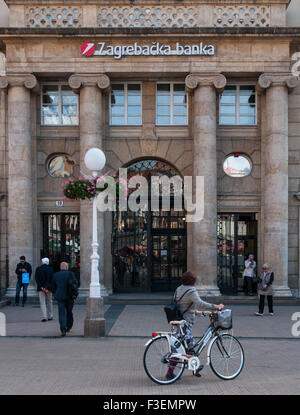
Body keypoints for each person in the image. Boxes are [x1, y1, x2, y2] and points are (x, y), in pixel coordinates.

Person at [166, 271, 224, 380]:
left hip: (177, 321)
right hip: (185, 323)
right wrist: (216, 306)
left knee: (178, 349)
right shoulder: (191, 290)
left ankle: (171, 372)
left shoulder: (179, 288)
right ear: (193, 281)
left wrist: (194, 311)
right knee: (190, 348)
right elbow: (200, 302)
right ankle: (194, 369)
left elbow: (182, 303)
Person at [52, 262, 78, 336]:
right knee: (69, 311)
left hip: (60, 296)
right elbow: (75, 283)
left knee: (61, 313)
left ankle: (63, 329)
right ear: (67, 267)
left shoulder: (56, 275)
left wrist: (55, 293)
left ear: (60, 267)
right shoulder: (71, 274)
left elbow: (53, 286)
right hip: (70, 296)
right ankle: (69, 326)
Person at [35, 258, 54, 322]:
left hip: (41, 288)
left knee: (42, 303)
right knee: (50, 301)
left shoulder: (38, 269)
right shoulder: (51, 269)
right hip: (49, 288)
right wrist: (47, 287)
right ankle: (50, 316)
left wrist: (42, 287)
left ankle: (44, 317)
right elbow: (52, 280)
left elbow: (36, 279)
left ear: (42, 262)